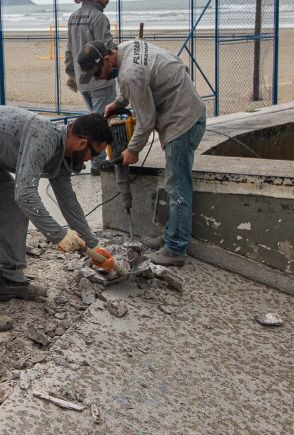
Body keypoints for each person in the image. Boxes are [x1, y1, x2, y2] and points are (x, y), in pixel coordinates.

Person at [0, 106, 114, 332]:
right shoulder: (44, 138)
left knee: (14, 211)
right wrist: (58, 235)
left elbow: (69, 204)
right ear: (80, 142)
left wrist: (93, 246)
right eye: (94, 153)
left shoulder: (61, 154)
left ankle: (11, 280)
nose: (92, 159)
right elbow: (25, 193)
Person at [76, 38, 206, 267]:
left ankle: (176, 248)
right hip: (186, 106)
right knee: (174, 182)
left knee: (178, 187)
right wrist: (119, 102)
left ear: (107, 58)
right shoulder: (128, 48)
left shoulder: (129, 74)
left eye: (98, 72)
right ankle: (170, 236)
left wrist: (132, 150)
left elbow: (146, 121)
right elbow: (138, 82)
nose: (98, 78)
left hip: (182, 120)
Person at [63, 0, 120, 174]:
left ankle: (87, 158)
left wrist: (71, 73)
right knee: (102, 123)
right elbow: (106, 48)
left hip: (83, 80)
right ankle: (99, 165)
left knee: (92, 120)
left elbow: (69, 49)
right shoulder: (99, 18)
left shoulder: (73, 18)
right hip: (100, 80)